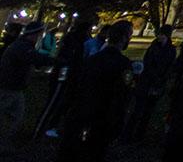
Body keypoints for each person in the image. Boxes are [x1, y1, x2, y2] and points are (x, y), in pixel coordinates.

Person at [58, 19, 135, 162]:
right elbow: (121, 97)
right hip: (102, 119)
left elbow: (75, 86)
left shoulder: (92, 60)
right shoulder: (123, 65)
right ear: (125, 38)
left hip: (80, 114)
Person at [0, 21, 49, 149]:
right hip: (8, 87)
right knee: (13, 115)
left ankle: (6, 142)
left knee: (16, 117)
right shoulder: (22, 47)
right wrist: (56, 61)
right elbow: (36, 59)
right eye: (38, 34)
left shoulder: (22, 46)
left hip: (15, 87)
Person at [125, 23, 177, 141]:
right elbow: (147, 63)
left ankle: (139, 134)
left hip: (157, 82)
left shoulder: (170, 50)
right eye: (160, 34)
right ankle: (128, 134)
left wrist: (162, 79)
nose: (160, 37)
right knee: (138, 110)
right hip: (147, 81)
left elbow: (170, 66)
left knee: (147, 112)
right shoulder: (154, 47)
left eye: (163, 35)